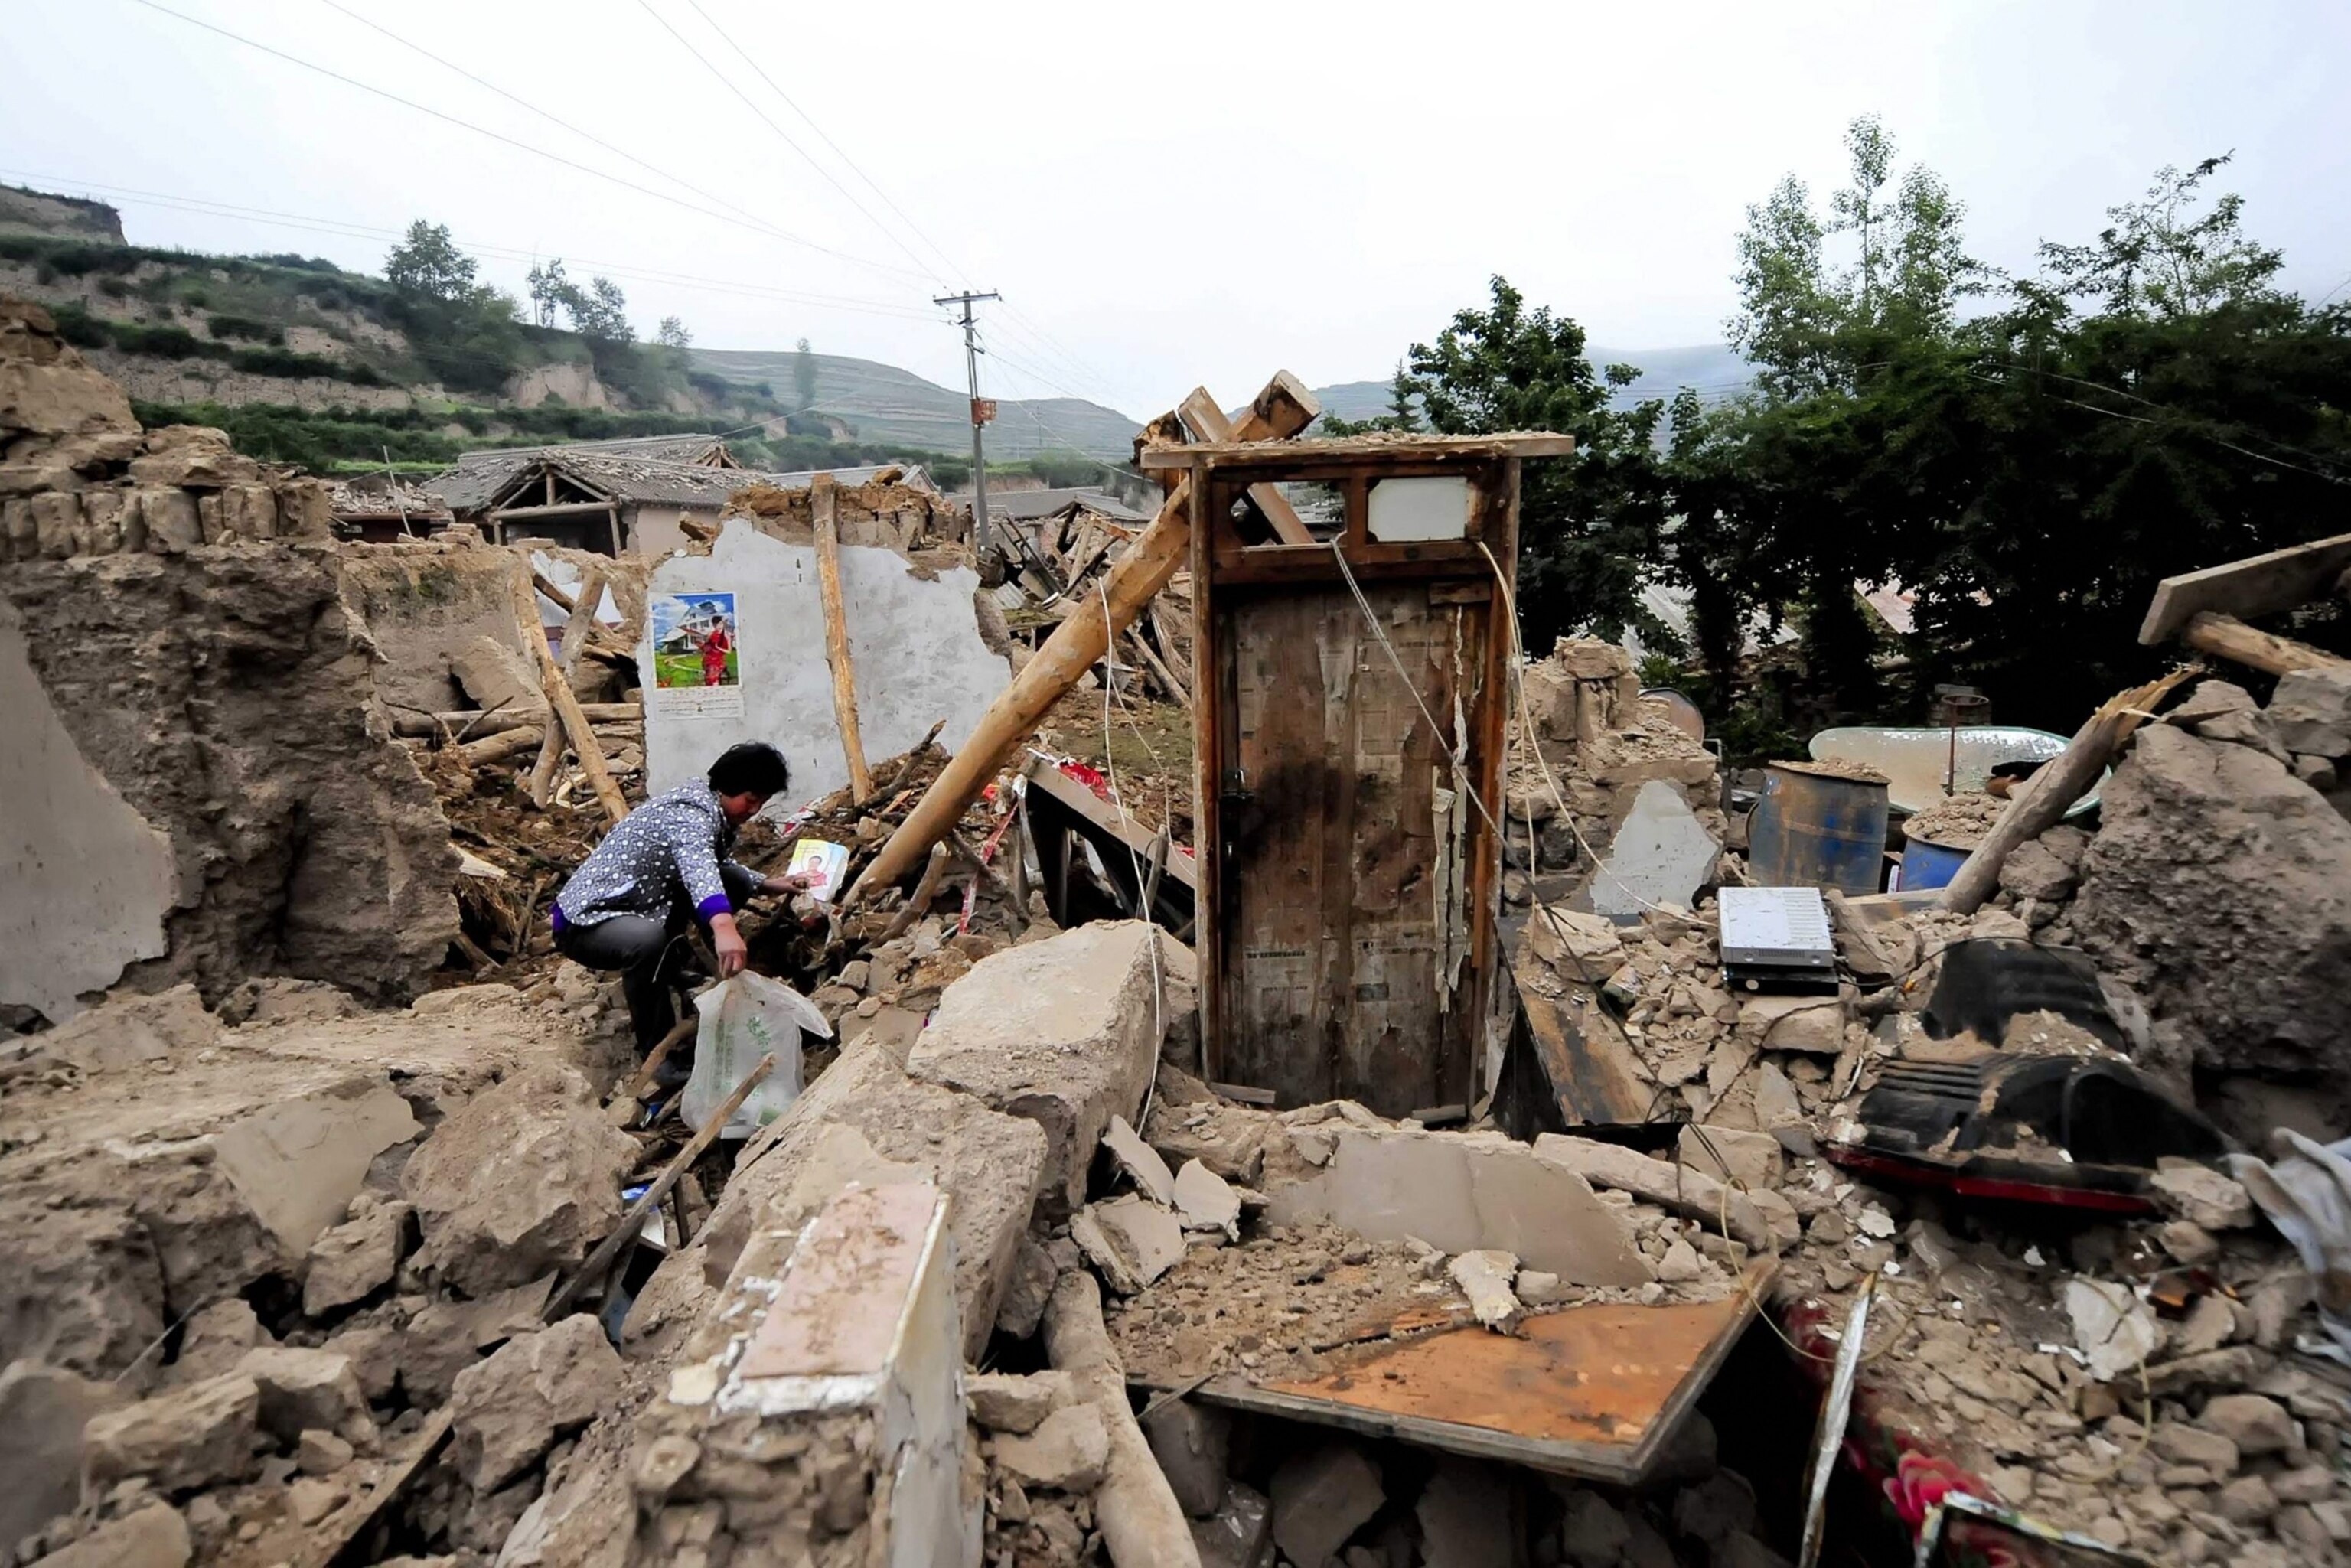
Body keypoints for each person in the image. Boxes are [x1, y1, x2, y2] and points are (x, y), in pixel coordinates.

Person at [549, 741, 807, 1070]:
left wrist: (765, 883)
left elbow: (719, 866)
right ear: (728, 787)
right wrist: (724, 927)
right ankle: (658, 1054)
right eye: (751, 800)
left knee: (735, 881)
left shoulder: (713, 810)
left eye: (761, 802)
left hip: (641, 905)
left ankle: (671, 968)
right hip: (585, 922)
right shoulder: (689, 814)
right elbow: (699, 868)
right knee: (647, 942)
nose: (754, 810)